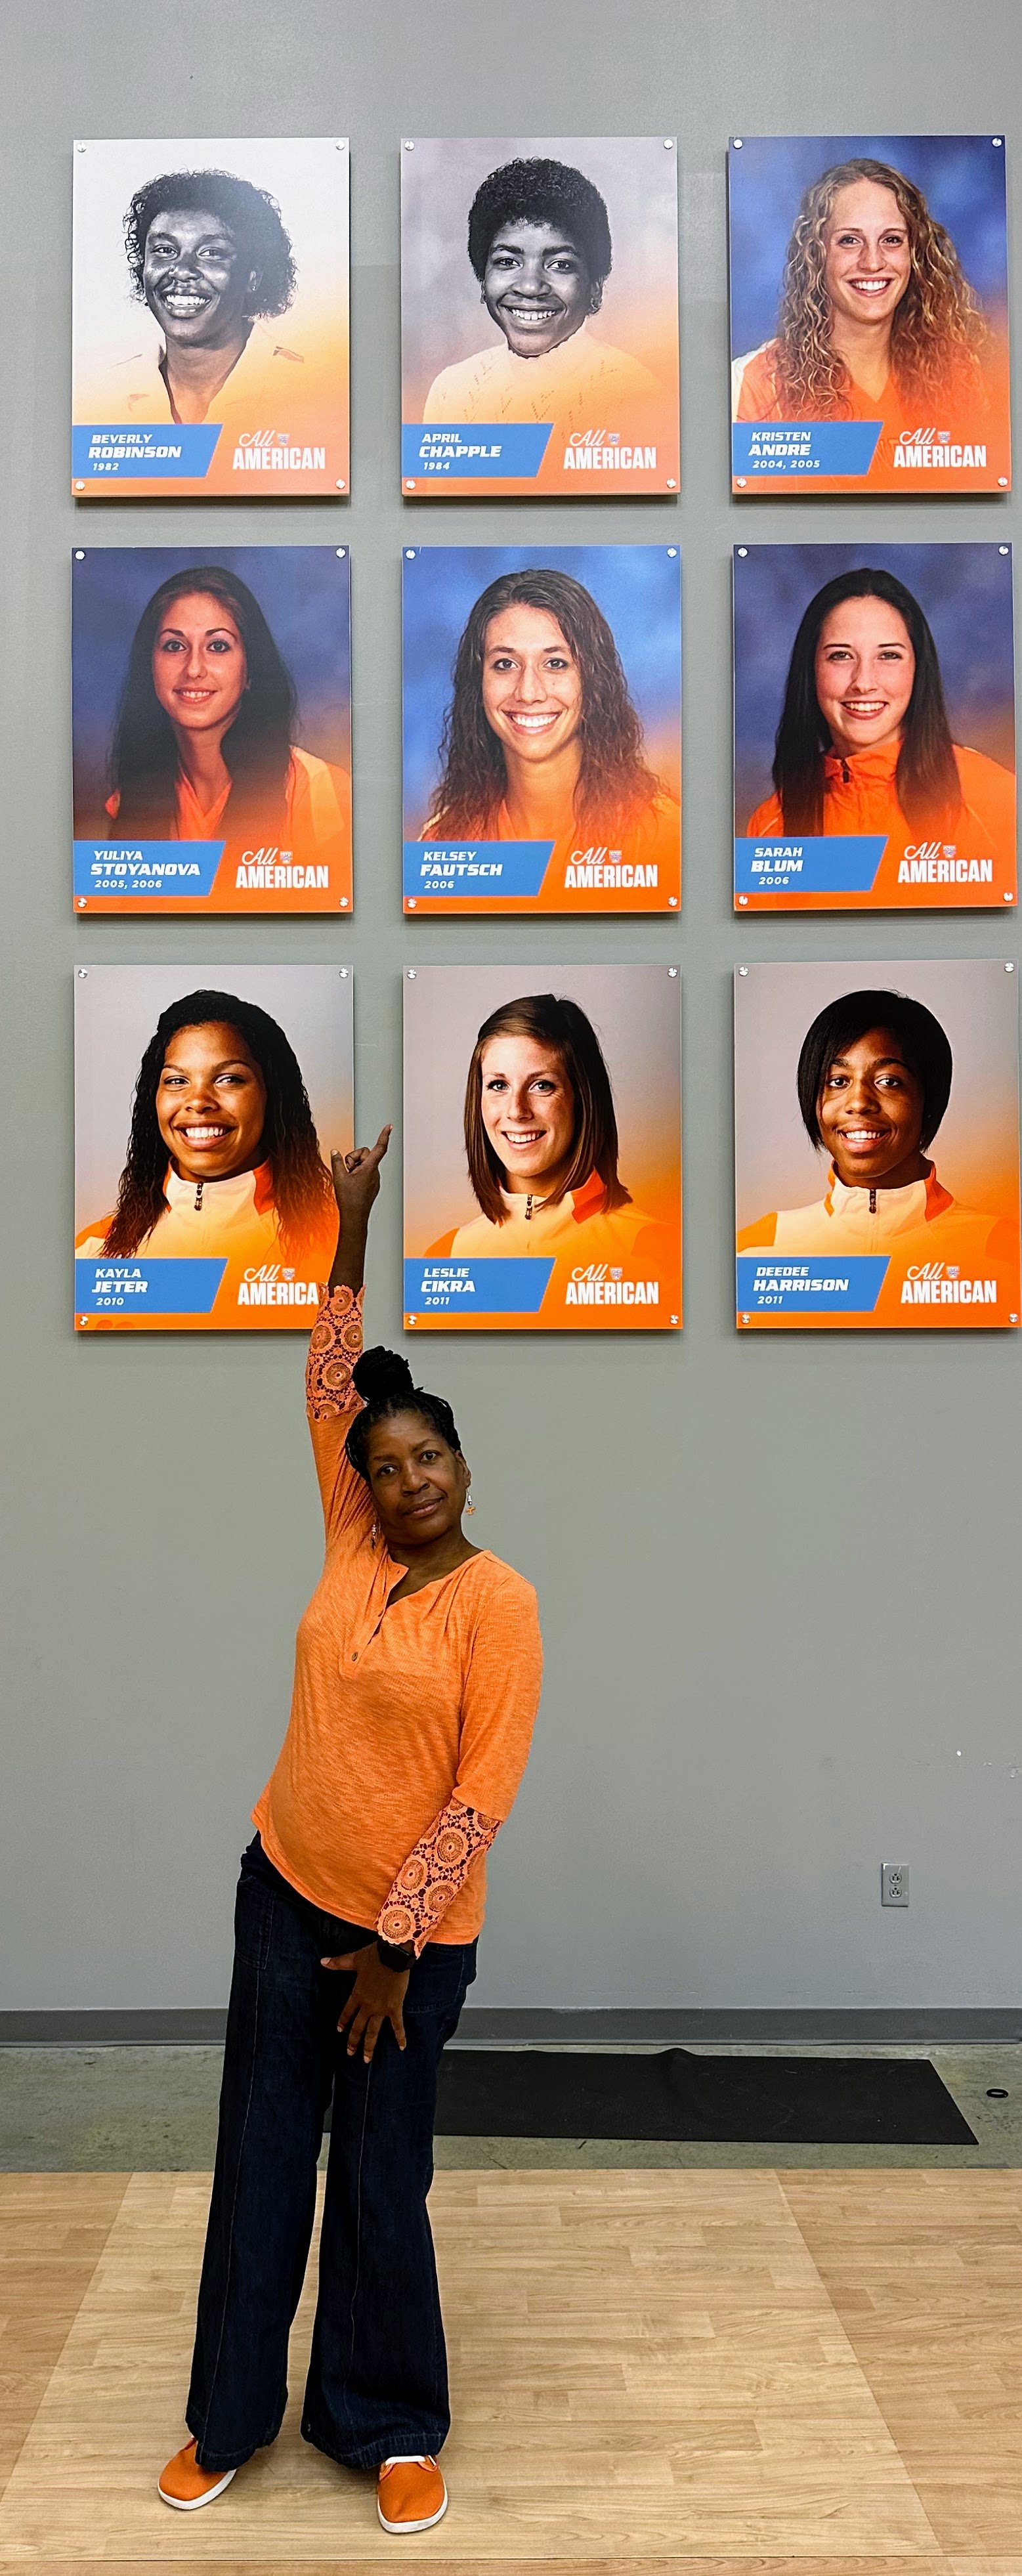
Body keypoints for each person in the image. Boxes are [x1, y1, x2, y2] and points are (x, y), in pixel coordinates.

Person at [157, 1127, 542, 2535]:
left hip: (408, 1946)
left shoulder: (499, 1603)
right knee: (263, 2153)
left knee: (379, 2181)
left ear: (461, 1465)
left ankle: (384, 2422)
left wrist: (393, 1949)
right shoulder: (347, 1542)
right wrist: (352, 1223)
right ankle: (227, 2417)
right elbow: (329, 1371)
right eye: (382, 1465)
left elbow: (480, 1794)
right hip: (285, 1895)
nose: (404, 1480)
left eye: (426, 1456)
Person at [744, 568, 1014, 859]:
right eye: (840, 655)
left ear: (918, 669)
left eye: (888, 656)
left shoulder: (995, 799)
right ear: (811, 671)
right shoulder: (771, 825)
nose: (863, 682)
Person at [423, 569, 679, 875]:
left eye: (555, 663)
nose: (528, 692)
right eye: (505, 664)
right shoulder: (446, 846)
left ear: (593, 680)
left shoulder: (660, 833)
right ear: (478, 684)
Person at [75, 987, 337, 1279]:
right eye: (176, 1080)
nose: (199, 1101)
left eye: (229, 1079)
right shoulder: (94, 1250)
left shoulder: (337, 1244)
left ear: (272, 1095)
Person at [737, 987, 1012, 1264]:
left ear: (928, 1099)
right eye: (837, 1081)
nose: (858, 1102)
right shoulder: (759, 1249)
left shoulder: (1002, 1247)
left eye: (888, 1081)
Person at [98, 567, 350, 865]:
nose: (193, 669)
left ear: (250, 671)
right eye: (174, 646)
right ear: (149, 666)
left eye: (217, 647)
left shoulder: (319, 789)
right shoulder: (135, 799)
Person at [733, 157, 992, 437]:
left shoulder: (957, 379)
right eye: (849, 240)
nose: (872, 262)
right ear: (817, 255)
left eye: (891, 239)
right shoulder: (756, 385)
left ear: (915, 255)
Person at [79, 166, 333, 441]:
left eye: (211, 253)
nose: (182, 270)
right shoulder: (103, 395)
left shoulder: (311, 388)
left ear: (253, 276)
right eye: (165, 251)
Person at [423, 156, 665, 439]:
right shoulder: (451, 391)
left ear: (595, 287)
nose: (530, 287)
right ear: (482, 279)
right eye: (507, 262)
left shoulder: (639, 395)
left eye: (560, 264)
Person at [427, 991, 664, 1269]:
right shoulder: (446, 1257)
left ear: (583, 1098)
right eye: (498, 1085)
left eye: (542, 1085)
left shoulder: (653, 1249)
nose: (516, 1111)